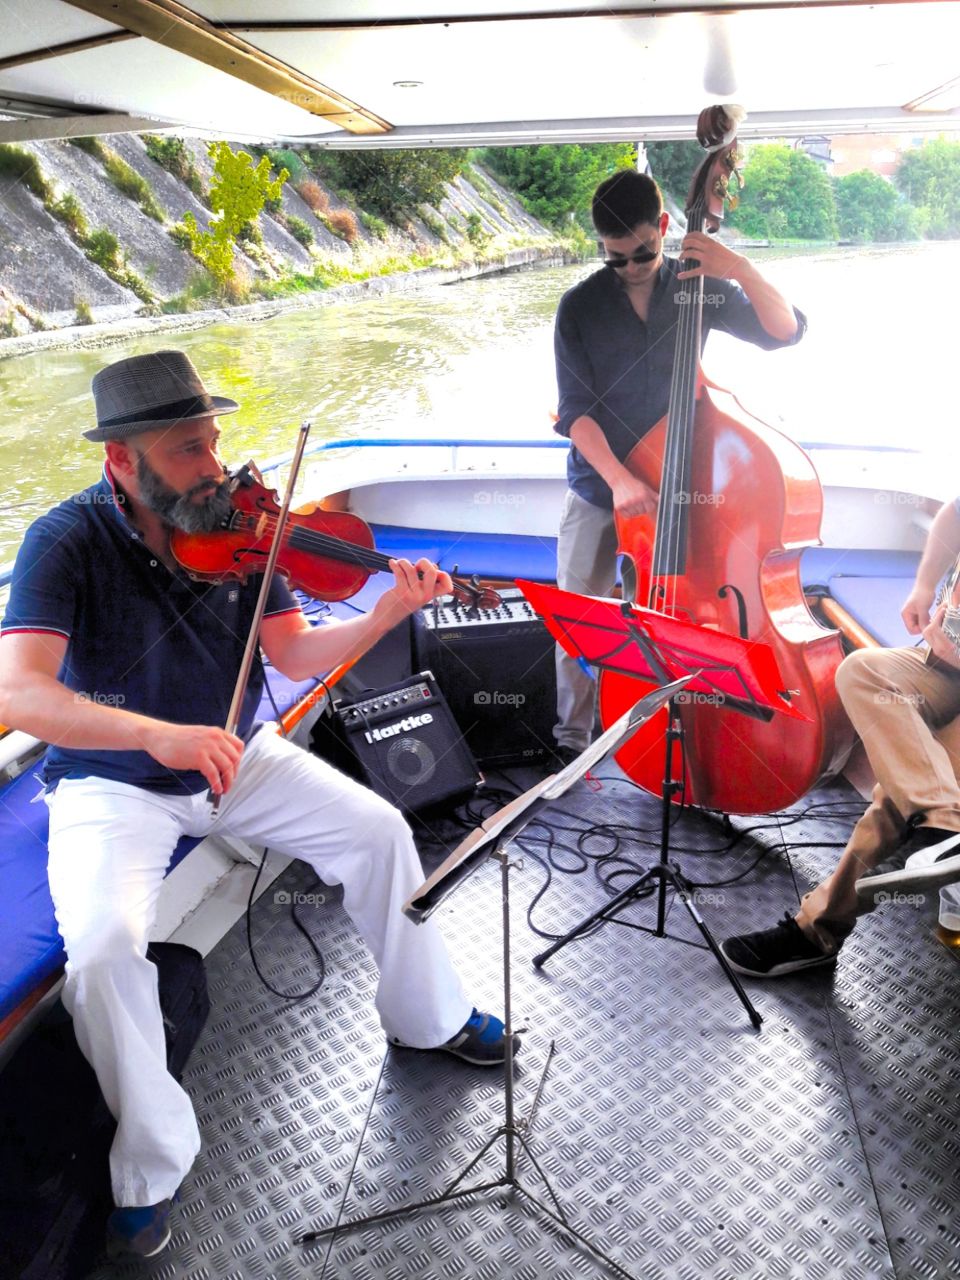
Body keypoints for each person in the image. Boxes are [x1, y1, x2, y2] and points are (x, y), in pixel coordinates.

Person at [0, 350, 516, 1258]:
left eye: (214, 440)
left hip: (238, 756)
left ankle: (427, 1017)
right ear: (123, 460)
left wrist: (388, 614)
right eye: (188, 449)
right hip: (115, 782)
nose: (218, 467)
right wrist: (153, 734)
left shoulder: (243, 526)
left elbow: (297, 656)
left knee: (378, 831)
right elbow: (20, 694)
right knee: (105, 953)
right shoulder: (65, 538)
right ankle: (152, 1162)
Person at [551, 168, 806, 763]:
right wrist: (619, 480)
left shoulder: (699, 285)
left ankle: (672, 737)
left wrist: (737, 268)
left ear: (665, 227)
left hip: (684, 487)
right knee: (581, 619)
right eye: (615, 258)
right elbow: (575, 411)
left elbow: (784, 330)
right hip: (600, 484)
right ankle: (571, 745)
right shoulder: (578, 307)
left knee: (677, 616)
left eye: (642, 252)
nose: (631, 267)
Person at [721, 496, 960, 978]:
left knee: (893, 800)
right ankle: (942, 818)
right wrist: (923, 587)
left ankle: (815, 932)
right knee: (862, 669)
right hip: (941, 664)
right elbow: (954, 513)